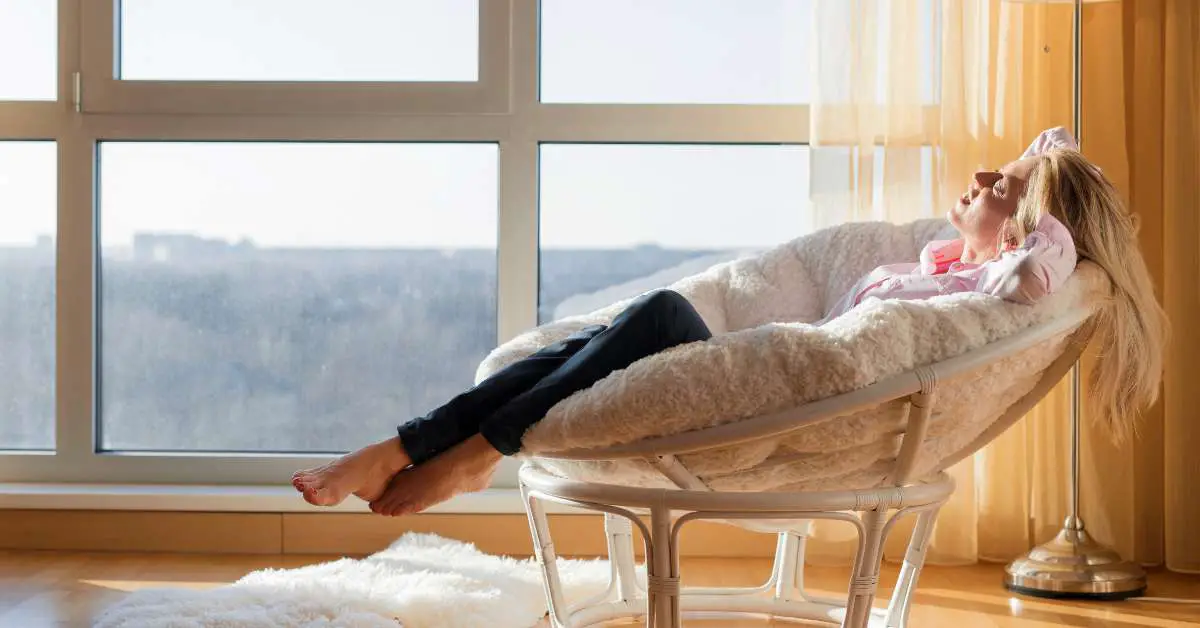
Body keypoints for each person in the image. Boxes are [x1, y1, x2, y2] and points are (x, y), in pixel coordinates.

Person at [292, 128, 1165, 516]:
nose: (979, 173)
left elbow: (1055, 262)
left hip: (765, 388)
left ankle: (466, 451)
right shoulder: (943, 262)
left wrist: (1046, 196)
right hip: (761, 375)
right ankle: (428, 445)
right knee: (584, 346)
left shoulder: (1006, 284)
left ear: (1023, 229)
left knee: (662, 312)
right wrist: (1027, 178)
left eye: (1000, 184)